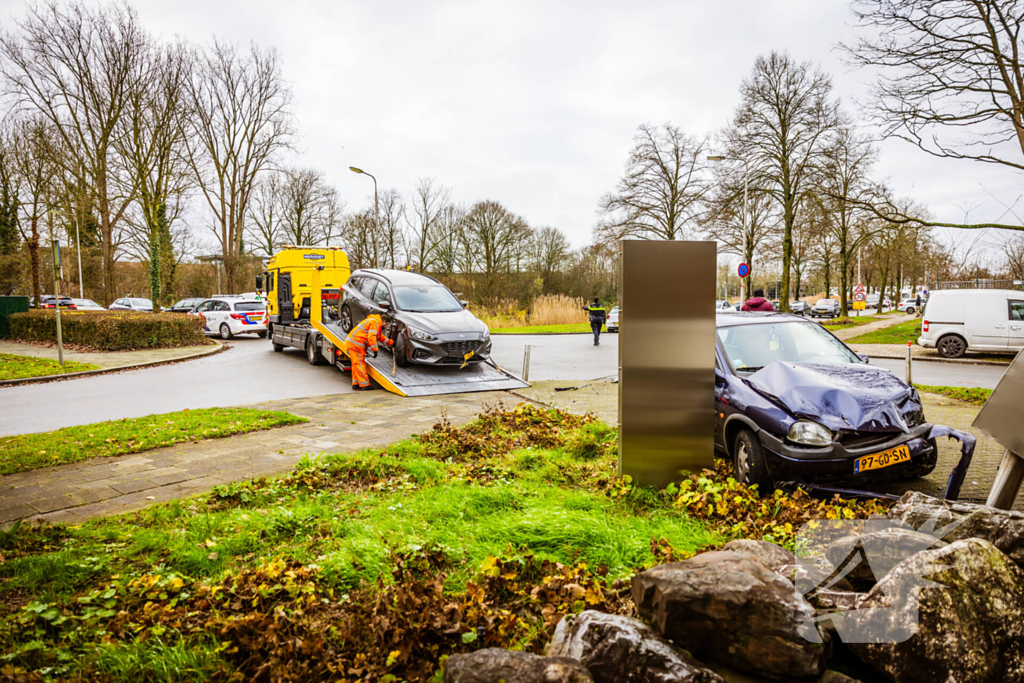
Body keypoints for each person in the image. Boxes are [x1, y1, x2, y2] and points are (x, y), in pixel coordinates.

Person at [344, 311, 394, 391]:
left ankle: (356, 383)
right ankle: (364, 385)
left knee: (356, 364)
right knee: (360, 364)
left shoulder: (374, 321)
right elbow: (372, 336)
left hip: (354, 342)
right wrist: (375, 349)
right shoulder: (375, 322)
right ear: (384, 322)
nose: (386, 326)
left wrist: (391, 343)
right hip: (356, 344)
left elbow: (379, 336)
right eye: (387, 324)